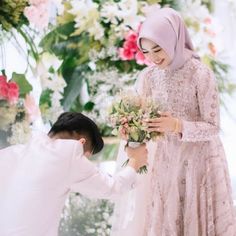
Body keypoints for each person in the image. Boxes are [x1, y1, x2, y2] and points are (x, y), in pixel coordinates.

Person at [111, 7, 236, 236]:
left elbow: (214, 127)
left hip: (199, 163)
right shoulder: (149, 76)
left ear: (174, 39)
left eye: (157, 49)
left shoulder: (200, 73)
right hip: (166, 162)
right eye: (146, 52)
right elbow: (144, 118)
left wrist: (178, 126)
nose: (152, 58)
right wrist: (133, 128)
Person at [0, 112, 148, 236]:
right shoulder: (68, 153)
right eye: (86, 156)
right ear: (81, 142)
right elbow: (113, 188)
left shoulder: (11, 152)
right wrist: (135, 161)